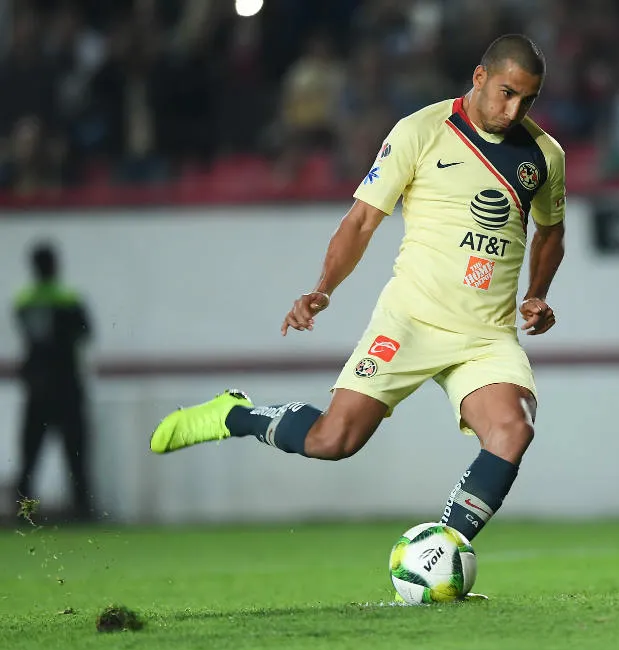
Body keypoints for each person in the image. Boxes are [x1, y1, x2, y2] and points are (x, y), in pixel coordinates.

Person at [150, 34, 566, 548]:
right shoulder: (421, 131)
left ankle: (442, 553)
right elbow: (362, 220)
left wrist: (537, 293)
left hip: (486, 335)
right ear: (479, 77)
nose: (515, 110)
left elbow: (550, 233)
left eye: (528, 99)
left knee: (513, 430)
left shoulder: (544, 156)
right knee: (333, 440)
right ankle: (234, 415)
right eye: (507, 93)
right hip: (411, 320)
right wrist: (322, 289)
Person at [13, 242, 94, 522]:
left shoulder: (24, 301)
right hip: (66, 383)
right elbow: (85, 332)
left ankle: (24, 513)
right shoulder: (68, 298)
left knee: (30, 455)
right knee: (76, 452)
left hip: (37, 384)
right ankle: (82, 510)